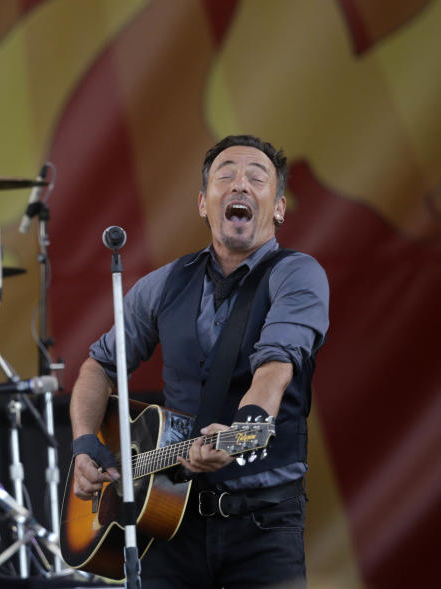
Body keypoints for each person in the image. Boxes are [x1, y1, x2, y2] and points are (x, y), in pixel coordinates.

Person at [69, 135, 329, 587]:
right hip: (169, 526)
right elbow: (98, 366)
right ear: (203, 204)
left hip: (264, 525)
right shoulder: (163, 285)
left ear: (280, 207)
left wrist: (248, 424)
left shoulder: (298, 275)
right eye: (225, 175)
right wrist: (84, 442)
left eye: (256, 177)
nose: (239, 186)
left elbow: (277, 363)